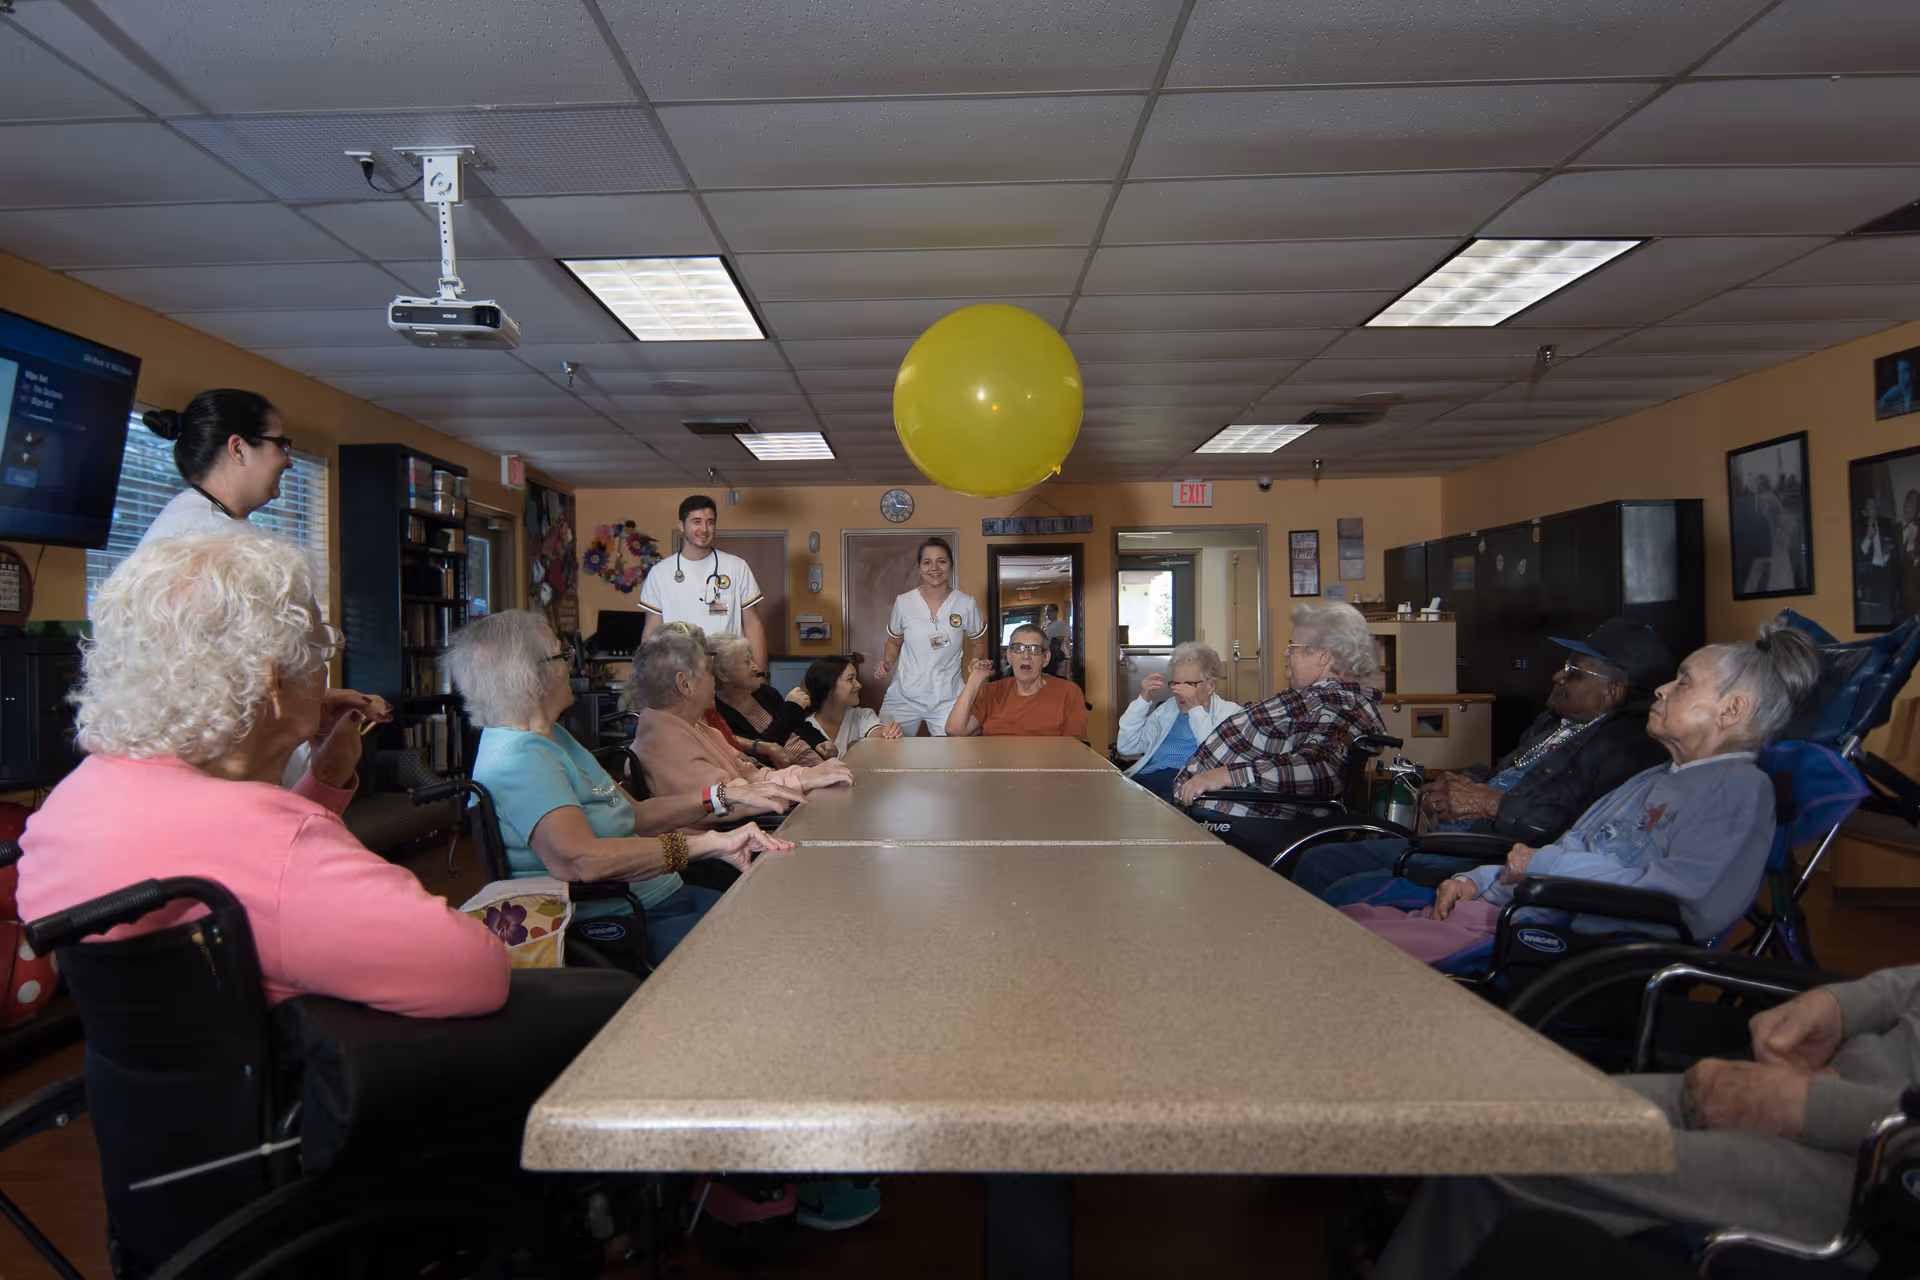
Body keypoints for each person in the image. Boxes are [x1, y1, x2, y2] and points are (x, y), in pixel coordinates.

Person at [17, 529, 506, 1017]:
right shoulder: (273, 846)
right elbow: (478, 973)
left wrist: (327, 776)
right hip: (292, 1076)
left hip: (152, 1082)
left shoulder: (72, 800)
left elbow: (248, 863)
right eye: (319, 649)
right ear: (271, 678)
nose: (325, 672)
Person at [1375, 963, 1920, 1279]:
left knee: (1515, 1150)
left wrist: (1808, 1110)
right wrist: (1837, 1005)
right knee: (1498, 1122)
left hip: (1883, 1168)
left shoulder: (1736, 790)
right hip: (1826, 1085)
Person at [1341, 626, 1820, 970]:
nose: (1660, 689)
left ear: (1731, 710)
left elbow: (1683, 901)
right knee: (1345, 921)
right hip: (1527, 913)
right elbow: (1563, 853)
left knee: (1345, 949)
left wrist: (1536, 871)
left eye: (1684, 681)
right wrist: (1479, 880)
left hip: (1582, 948)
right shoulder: (1656, 777)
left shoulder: (1738, 789)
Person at [448, 610, 797, 969]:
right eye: (562, 655)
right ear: (528, 677)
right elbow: (583, 860)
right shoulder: (519, 758)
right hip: (621, 919)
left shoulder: (552, 737)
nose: (573, 666)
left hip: (656, 896)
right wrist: (708, 844)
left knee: (779, 921)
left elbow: (634, 815)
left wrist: (722, 797)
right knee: (776, 946)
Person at [1291, 619, 1673, 899]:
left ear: (1612, 692)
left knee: (1344, 887)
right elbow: (1502, 770)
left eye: (1574, 670)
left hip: (1491, 854)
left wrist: (1491, 804)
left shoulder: (1628, 746)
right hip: (1455, 836)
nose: (1558, 675)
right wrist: (1455, 783)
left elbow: (1580, 830)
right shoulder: (1553, 722)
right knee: (1317, 860)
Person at [1172, 602, 1385, 835]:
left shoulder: (1337, 704)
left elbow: (1318, 769)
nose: (1286, 651)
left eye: (1293, 646)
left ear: (1323, 656)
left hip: (1234, 814)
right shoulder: (1315, 697)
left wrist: (1227, 775)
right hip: (1215, 805)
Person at [625, 624, 856, 805]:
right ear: (684, 684)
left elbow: (752, 775)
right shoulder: (668, 745)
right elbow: (729, 803)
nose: (713, 679)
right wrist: (802, 782)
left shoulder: (703, 729)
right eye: (707, 671)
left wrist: (806, 775)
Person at [137, 390, 296, 546]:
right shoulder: (214, 542)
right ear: (238, 450)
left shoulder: (187, 519)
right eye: (281, 445)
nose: (289, 462)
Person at [638, 494, 767, 671]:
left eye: (710, 522)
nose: (704, 529)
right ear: (682, 526)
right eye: (696, 521)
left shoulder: (736, 566)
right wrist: (645, 673)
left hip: (729, 668)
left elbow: (752, 624)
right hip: (680, 669)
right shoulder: (661, 572)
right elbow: (652, 628)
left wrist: (761, 673)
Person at [872, 537, 985, 736]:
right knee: (885, 745)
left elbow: (978, 642)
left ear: (951, 565)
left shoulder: (966, 604)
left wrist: (975, 660)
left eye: (942, 561)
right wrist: (887, 661)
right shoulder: (904, 602)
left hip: (948, 697)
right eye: (927, 562)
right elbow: (894, 641)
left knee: (954, 755)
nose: (935, 567)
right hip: (904, 696)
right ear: (919, 569)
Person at [1115, 642, 1241, 802]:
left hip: (1184, 783)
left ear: (1211, 685)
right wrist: (1143, 700)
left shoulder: (1231, 713)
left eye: (1189, 684)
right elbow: (1127, 746)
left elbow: (1217, 757)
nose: (1179, 692)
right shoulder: (1168, 709)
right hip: (1147, 780)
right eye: (1175, 684)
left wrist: (1195, 708)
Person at [709, 631, 833, 768]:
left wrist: (819, 741)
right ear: (723, 674)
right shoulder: (720, 716)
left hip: (817, 765)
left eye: (752, 660)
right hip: (792, 778)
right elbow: (761, 756)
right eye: (746, 662)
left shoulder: (765, 693)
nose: (755, 667)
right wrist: (792, 709)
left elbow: (799, 727)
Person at [945, 622, 1089, 738]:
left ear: (1045, 659)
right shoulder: (992, 691)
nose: (1025, 656)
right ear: (1009, 656)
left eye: (1034, 649)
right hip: (996, 769)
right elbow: (954, 730)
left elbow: (1073, 753)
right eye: (1018, 648)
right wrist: (975, 680)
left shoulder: (1069, 693)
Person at [804, 654, 904, 755]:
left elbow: (877, 734)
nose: (858, 685)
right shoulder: (802, 729)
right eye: (850, 679)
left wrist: (887, 733)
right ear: (829, 688)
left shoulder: (863, 716)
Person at [1041, 602, 1072, 678]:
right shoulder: (1045, 625)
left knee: (1058, 678)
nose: (1047, 614)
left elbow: (1060, 639)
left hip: (1058, 655)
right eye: (1046, 611)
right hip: (1047, 655)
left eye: (1050, 611)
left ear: (1056, 612)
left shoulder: (1061, 624)